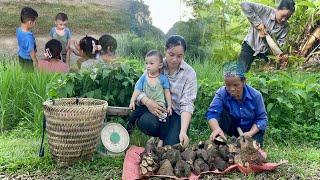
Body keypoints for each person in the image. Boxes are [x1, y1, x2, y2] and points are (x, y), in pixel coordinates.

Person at [136, 35, 197, 147]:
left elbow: (187, 104)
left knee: (173, 145)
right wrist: (147, 102)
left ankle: (173, 134)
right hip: (159, 109)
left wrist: (183, 131)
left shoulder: (189, 73)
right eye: (171, 54)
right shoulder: (156, 65)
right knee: (146, 122)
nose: (175, 59)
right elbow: (139, 89)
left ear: (184, 54)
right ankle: (159, 136)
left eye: (179, 56)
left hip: (177, 114)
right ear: (165, 51)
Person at [206, 61, 268, 146]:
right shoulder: (221, 93)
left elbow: (262, 119)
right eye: (228, 85)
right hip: (233, 128)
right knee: (222, 113)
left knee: (252, 149)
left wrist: (250, 133)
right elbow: (212, 113)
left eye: (236, 85)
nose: (231, 89)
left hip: (251, 130)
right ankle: (223, 136)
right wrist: (216, 129)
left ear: (244, 82)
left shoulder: (256, 96)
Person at [126, 50, 172, 147]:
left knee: (164, 120)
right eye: (146, 63)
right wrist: (132, 100)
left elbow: (167, 92)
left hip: (159, 105)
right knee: (133, 115)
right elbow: (137, 89)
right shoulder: (144, 77)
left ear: (160, 65)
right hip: (145, 105)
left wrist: (169, 106)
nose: (148, 66)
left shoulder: (163, 78)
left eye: (151, 63)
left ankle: (161, 139)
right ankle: (127, 134)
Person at [239, 0, 295, 72]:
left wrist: (280, 54)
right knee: (240, 71)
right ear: (277, 9)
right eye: (283, 16)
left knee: (264, 76)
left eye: (288, 17)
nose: (284, 19)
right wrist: (258, 24)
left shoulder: (286, 27)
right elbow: (244, 4)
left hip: (266, 53)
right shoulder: (265, 11)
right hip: (250, 45)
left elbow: (280, 43)